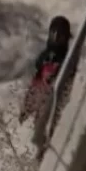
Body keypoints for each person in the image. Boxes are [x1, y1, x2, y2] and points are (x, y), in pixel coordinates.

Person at [21, 15, 73, 153]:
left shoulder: (69, 60)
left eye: (60, 34)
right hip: (43, 107)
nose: (56, 36)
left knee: (54, 143)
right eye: (53, 32)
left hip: (59, 109)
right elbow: (36, 82)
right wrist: (27, 106)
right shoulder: (44, 57)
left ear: (66, 37)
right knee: (40, 143)